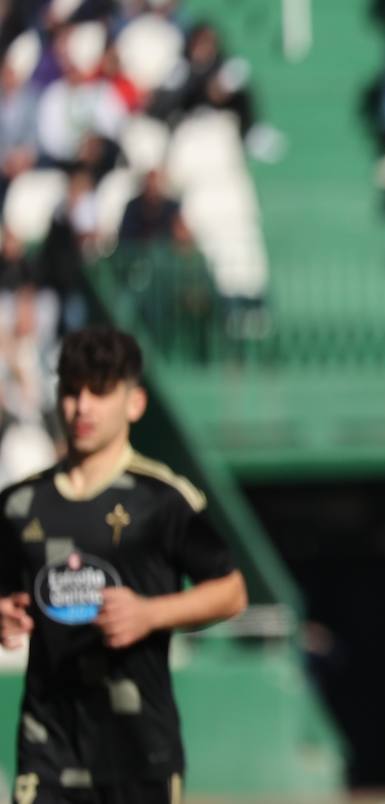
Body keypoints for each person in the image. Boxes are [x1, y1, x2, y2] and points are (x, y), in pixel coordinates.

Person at [0, 326, 248, 803]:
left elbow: (231, 591)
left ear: (134, 403)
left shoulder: (163, 499)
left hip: (140, 752)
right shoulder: (20, 504)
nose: (83, 407)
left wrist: (150, 613)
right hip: (48, 747)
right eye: (72, 390)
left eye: (100, 390)